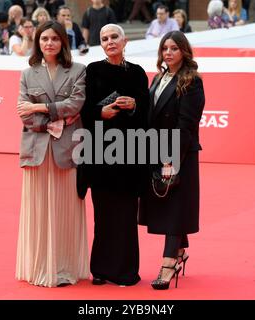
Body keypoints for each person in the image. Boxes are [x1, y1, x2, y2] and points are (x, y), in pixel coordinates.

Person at [15, 21, 89, 287]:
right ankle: (38, 267)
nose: (49, 43)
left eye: (54, 39)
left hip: (68, 149)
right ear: (37, 42)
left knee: (67, 210)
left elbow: (76, 104)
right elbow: (23, 112)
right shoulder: (28, 73)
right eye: (44, 38)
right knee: (38, 211)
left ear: (63, 42)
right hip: (37, 150)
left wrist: (40, 108)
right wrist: (48, 116)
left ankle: (65, 268)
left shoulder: (79, 70)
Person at [79, 24, 149, 286]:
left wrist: (135, 104)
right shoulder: (93, 70)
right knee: (103, 214)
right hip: (101, 156)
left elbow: (147, 111)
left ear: (125, 41)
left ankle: (126, 272)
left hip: (129, 154)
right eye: (104, 38)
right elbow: (82, 110)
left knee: (127, 216)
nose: (110, 42)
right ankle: (100, 270)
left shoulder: (138, 73)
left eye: (114, 37)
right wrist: (101, 113)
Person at [139, 31, 205, 290]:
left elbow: (186, 126)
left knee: (176, 207)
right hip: (156, 151)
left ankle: (168, 264)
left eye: (174, 48)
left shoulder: (192, 82)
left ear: (184, 52)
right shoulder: (158, 77)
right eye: (164, 48)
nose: (168, 52)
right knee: (170, 204)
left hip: (179, 154)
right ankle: (180, 252)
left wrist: (171, 160)